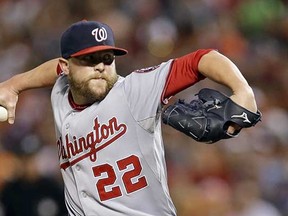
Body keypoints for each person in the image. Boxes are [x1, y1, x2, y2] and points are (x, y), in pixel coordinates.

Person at [0, 20, 258, 216]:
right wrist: (14, 84)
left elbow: (201, 59)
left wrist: (243, 90)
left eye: (106, 58)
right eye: (89, 59)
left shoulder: (134, 91)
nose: (100, 66)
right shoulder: (60, 92)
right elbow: (53, 69)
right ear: (67, 67)